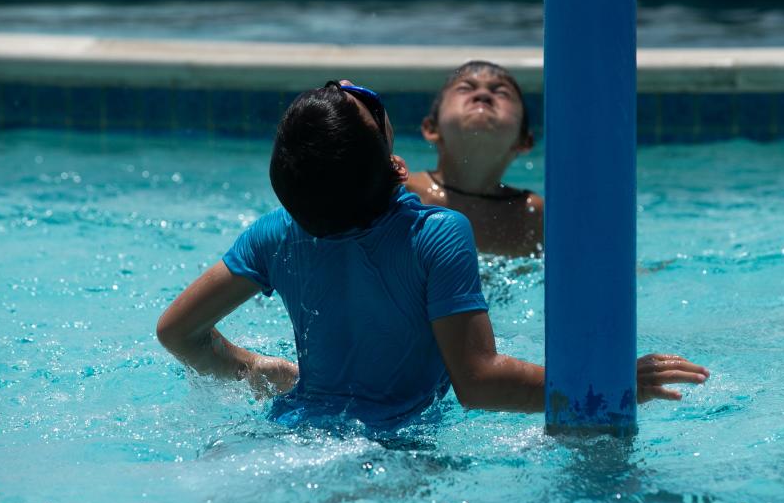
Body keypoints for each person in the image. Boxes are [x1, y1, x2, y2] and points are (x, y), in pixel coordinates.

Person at [156, 80, 709, 429]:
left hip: (290, 430)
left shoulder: (275, 233)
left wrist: (261, 370)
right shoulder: (436, 233)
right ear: (388, 156)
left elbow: (177, 333)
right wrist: (606, 380)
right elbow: (480, 382)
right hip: (396, 454)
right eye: (365, 103)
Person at [406, 61, 543, 257]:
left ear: (524, 141)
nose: (483, 96)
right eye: (465, 88)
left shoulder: (533, 215)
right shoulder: (400, 192)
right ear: (431, 128)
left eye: (501, 93)